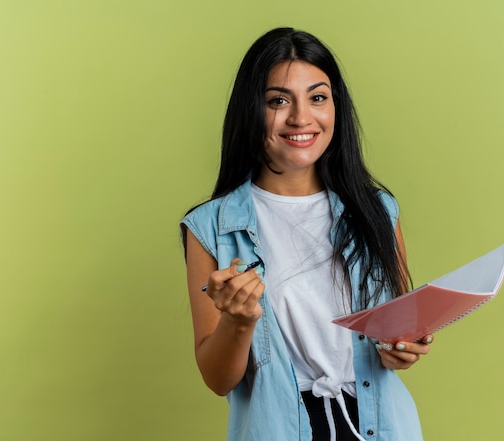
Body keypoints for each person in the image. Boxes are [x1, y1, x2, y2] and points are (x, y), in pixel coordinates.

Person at [180, 27, 433, 441]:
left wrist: (402, 350)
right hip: (279, 428)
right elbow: (218, 380)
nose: (301, 117)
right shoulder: (211, 228)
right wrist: (239, 322)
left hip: (382, 426)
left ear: (336, 106)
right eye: (278, 100)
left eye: (318, 97)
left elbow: (393, 347)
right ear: (251, 110)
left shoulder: (379, 211)